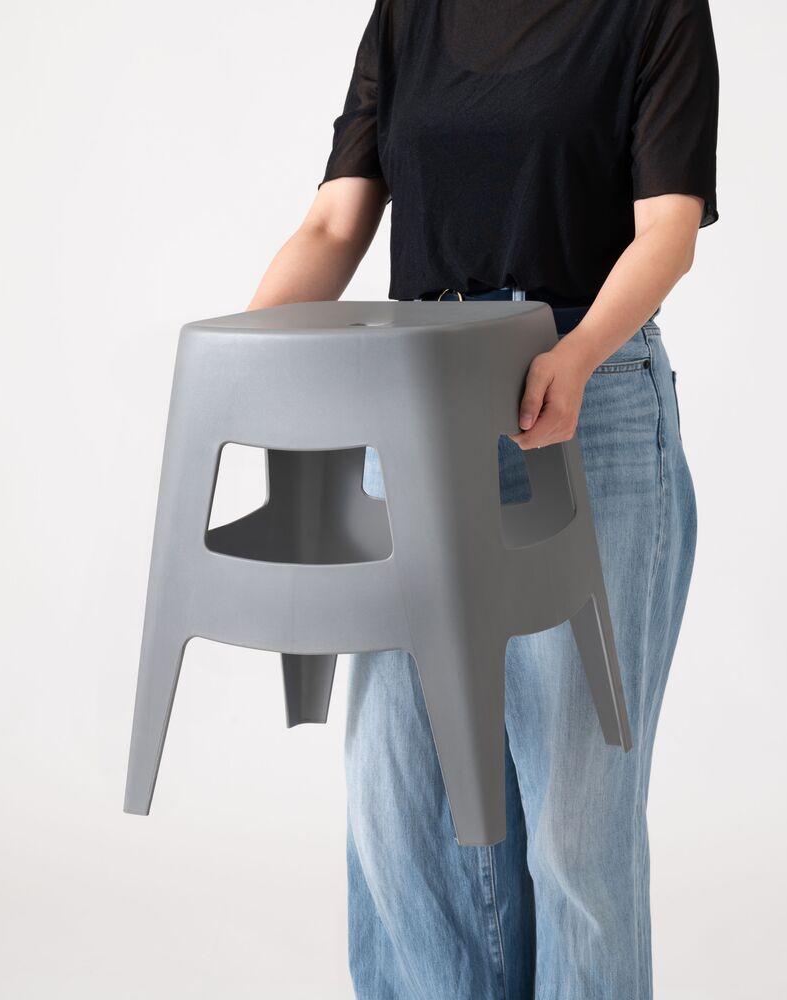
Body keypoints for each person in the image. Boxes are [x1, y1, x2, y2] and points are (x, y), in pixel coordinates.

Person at [247, 0, 719, 996]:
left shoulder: (653, 12)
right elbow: (333, 223)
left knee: (574, 828)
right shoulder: (408, 14)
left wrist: (576, 353)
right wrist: (240, 356)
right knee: (404, 810)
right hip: (419, 413)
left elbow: (668, 232)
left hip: (585, 407)